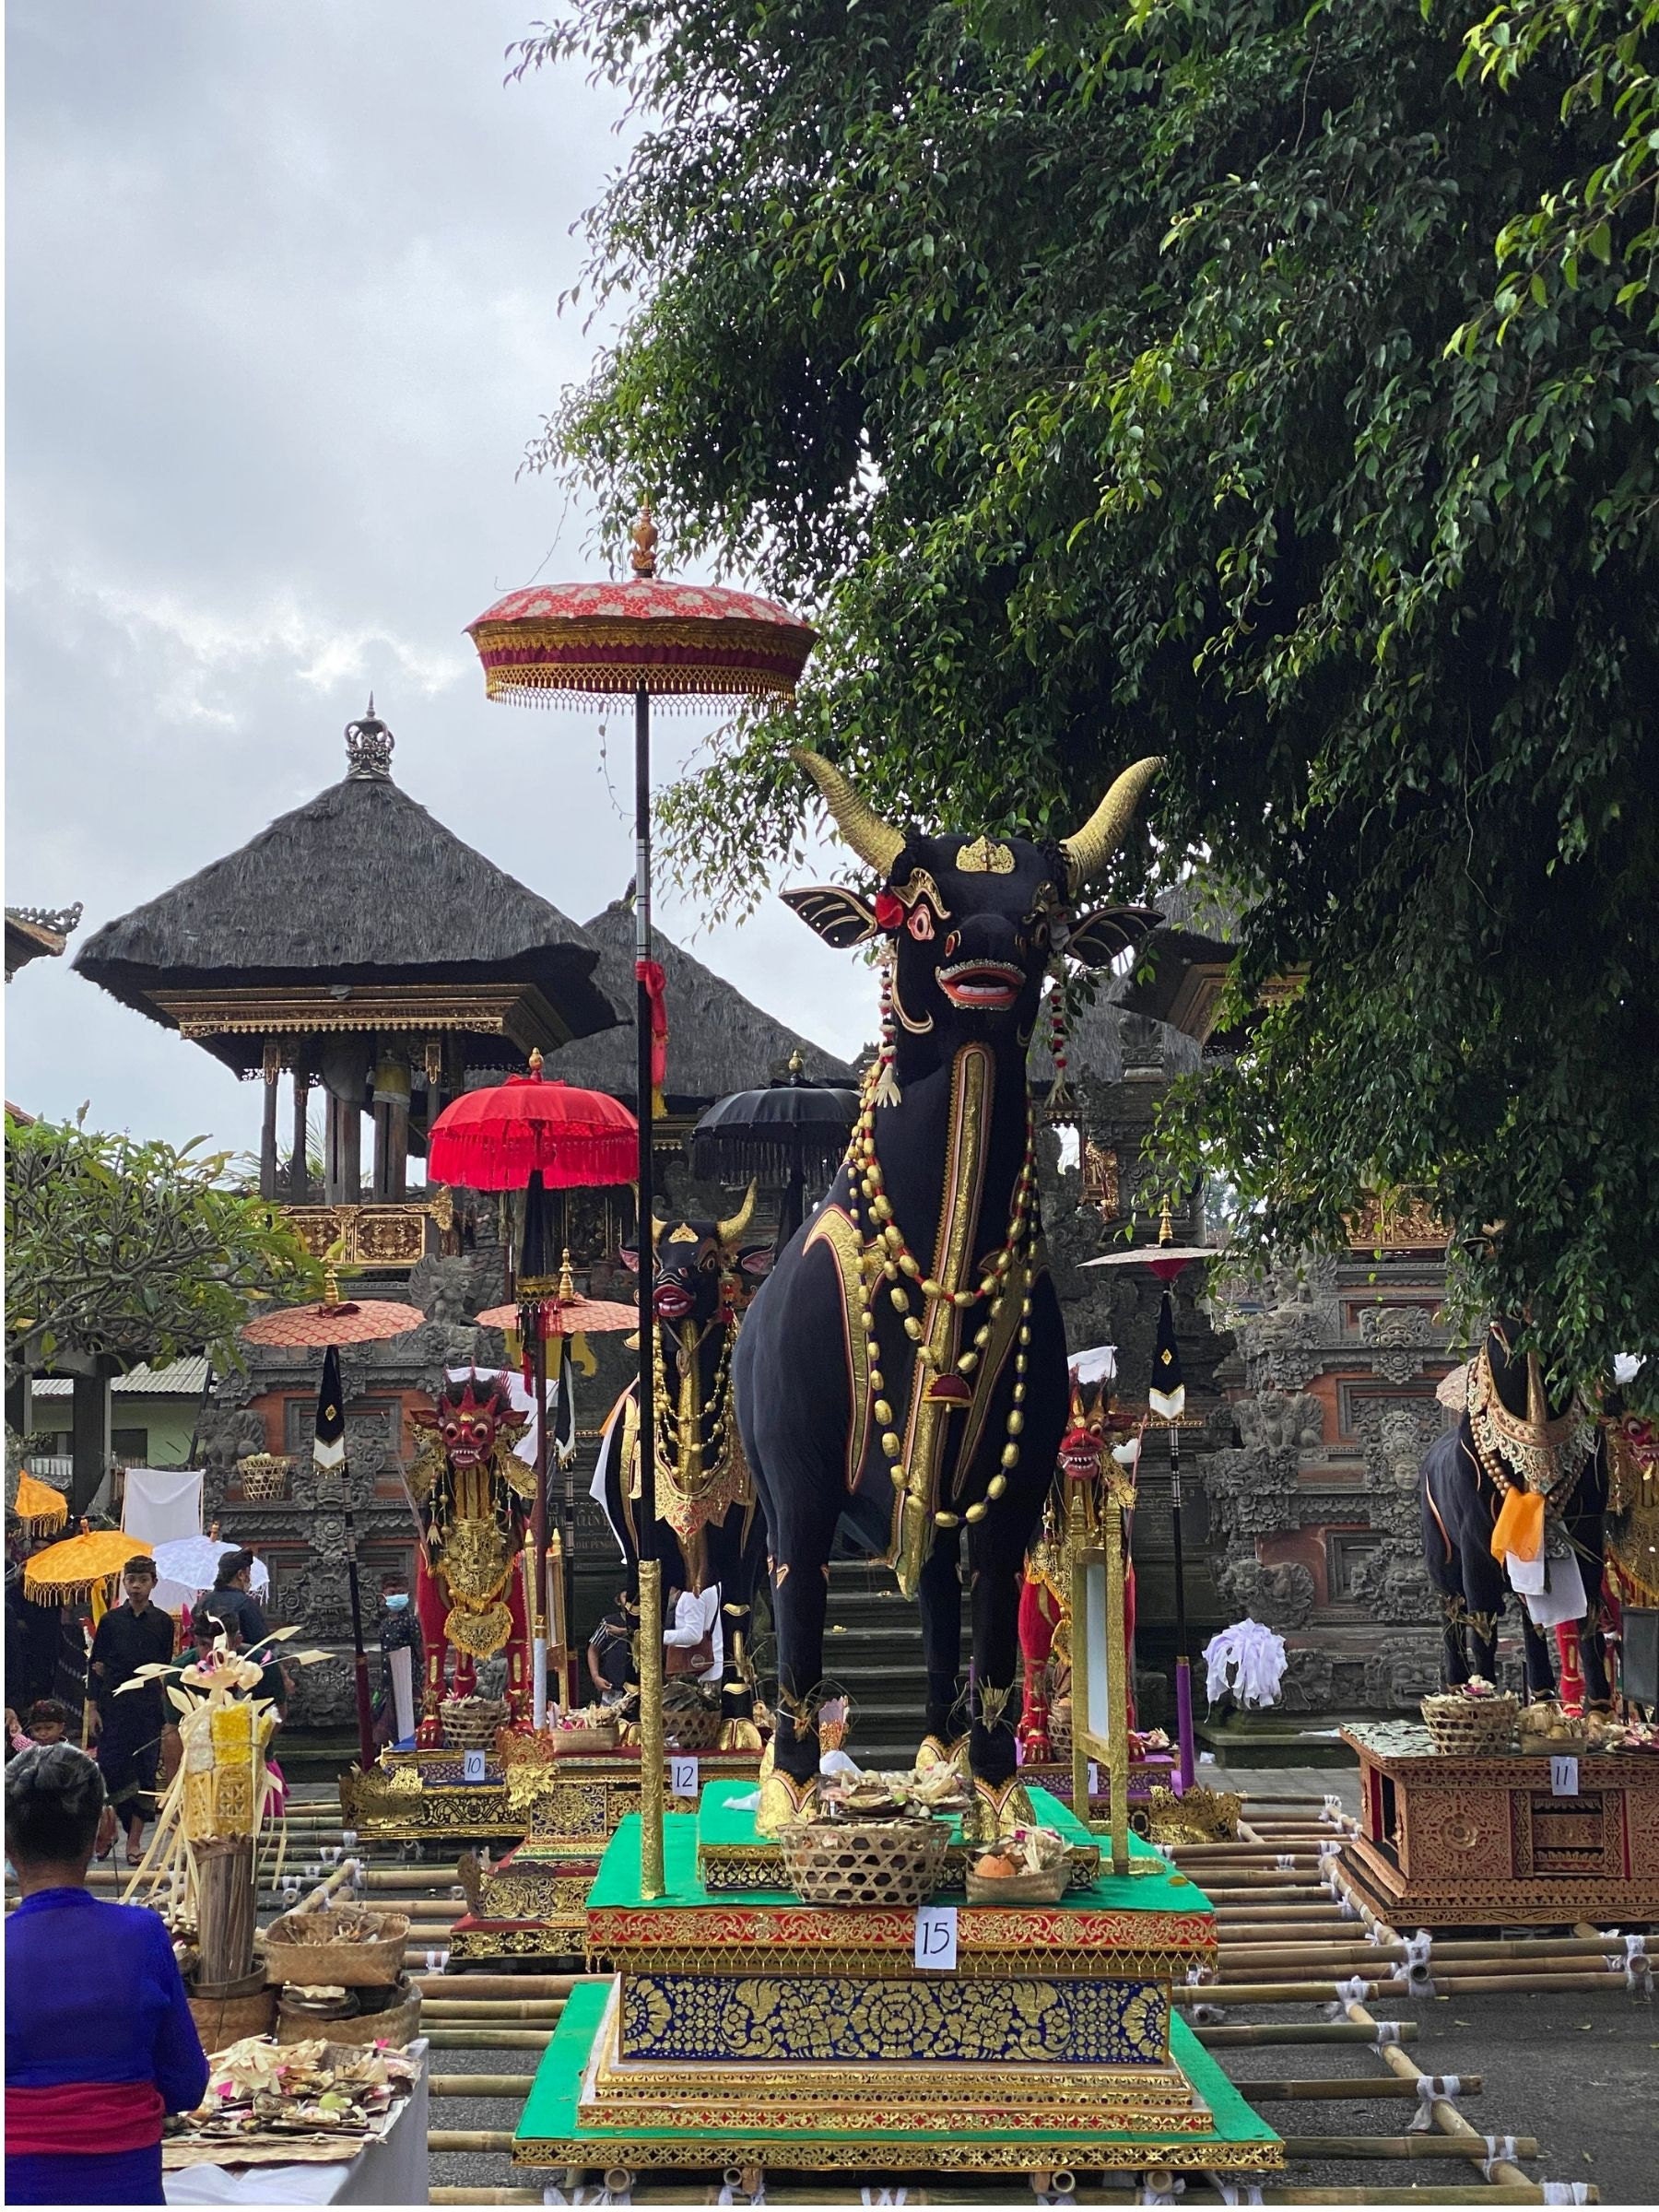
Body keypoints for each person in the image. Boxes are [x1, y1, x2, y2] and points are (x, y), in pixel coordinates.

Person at [5, 1741, 209, 2204]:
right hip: (126, 2190)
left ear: (6, 1841)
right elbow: (186, 2084)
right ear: (105, 1830)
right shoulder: (142, 1935)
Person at [87, 1559, 175, 1867]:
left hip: (148, 1707)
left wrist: (166, 1716)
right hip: (114, 1706)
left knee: (145, 1772)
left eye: (142, 1580)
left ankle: (134, 1842)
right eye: (130, 1580)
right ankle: (112, 1828)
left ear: (153, 1583)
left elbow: (164, 1666)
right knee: (111, 1767)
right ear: (124, 1583)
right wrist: (93, 1707)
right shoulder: (111, 1621)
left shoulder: (163, 1622)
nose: (135, 1586)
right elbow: (95, 1665)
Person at [372, 1570, 421, 1747]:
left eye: (400, 1593)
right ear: (383, 1596)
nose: (397, 1596)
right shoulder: (385, 1623)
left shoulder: (410, 1621)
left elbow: (420, 1652)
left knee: (405, 1723)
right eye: (392, 1593)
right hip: (387, 1681)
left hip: (408, 1679)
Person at [663, 1581, 723, 1685]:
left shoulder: (692, 1594)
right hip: (713, 1662)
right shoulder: (715, 1585)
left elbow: (693, 1635)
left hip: (695, 1673)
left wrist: (656, 1636)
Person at [209, 1547, 267, 1642]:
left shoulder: (203, 1602)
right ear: (240, 1575)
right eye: (248, 1573)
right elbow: (262, 1644)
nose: (250, 1579)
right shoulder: (245, 1604)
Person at [588, 1588, 633, 1705]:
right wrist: (595, 1676)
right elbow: (593, 1650)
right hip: (613, 1686)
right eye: (626, 1597)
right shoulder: (609, 1622)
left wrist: (624, 1631)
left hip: (641, 1687)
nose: (631, 1601)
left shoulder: (647, 1622)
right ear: (618, 1601)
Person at [7, 1700, 74, 1754]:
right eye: (37, 1729)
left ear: (61, 1727)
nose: (43, 1733)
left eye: (49, 1728)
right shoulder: (35, 1747)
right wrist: (16, 1735)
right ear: (31, 1730)